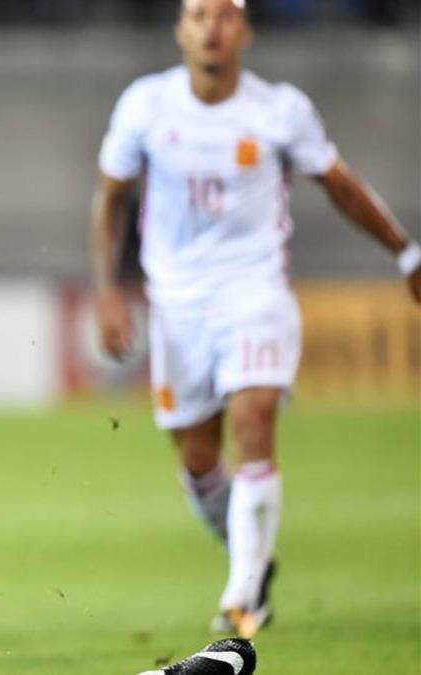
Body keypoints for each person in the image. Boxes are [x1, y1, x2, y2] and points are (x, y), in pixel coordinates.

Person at [90, 0, 421, 639]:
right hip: (177, 304)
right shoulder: (145, 105)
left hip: (255, 289)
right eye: (198, 14)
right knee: (198, 459)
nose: (211, 26)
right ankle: (251, 559)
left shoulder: (280, 110)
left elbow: (340, 183)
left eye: (225, 15)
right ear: (180, 29)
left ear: (244, 29)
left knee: (253, 419)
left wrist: (406, 250)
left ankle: (243, 595)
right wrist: (107, 292)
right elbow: (110, 199)